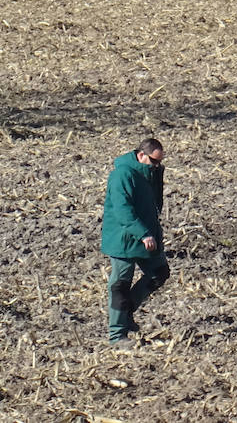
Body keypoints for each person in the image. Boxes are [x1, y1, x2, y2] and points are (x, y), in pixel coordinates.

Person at [101, 138, 169, 347]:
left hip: (145, 236)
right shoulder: (122, 175)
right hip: (124, 238)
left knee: (159, 272)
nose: (157, 166)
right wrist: (143, 233)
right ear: (141, 155)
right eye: (154, 161)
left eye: (160, 162)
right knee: (120, 284)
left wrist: (152, 233)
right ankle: (117, 335)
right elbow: (123, 210)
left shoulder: (149, 173)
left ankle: (126, 312)